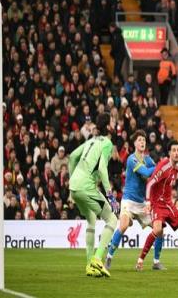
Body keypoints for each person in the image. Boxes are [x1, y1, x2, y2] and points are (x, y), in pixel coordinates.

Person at [105, 130, 164, 270]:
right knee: (124, 225)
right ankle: (109, 257)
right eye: (139, 140)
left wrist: (159, 169)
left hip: (142, 204)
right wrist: (161, 166)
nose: (142, 142)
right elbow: (147, 172)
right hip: (128, 201)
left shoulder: (148, 159)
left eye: (144, 140)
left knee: (159, 229)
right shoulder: (131, 159)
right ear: (135, 144)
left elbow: (156, 174)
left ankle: (156, 262)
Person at [136, 140, 178, 271]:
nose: (176, 153)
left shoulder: (176, 169)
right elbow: (150, 183)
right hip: (157, 204)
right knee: (157, 230)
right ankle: (140, 261)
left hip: (168, 205)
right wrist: (148, 202)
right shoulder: (164, 166)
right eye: (174, 150)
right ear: (169, 153)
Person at [69, 113, 118, 278]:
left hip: (74, 186)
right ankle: (97, 259)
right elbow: (102, 168)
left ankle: (90, 265)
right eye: (112, 121)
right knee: (112, 219)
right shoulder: (107, 143)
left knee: (91, 219)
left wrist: (72, 182)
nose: (114, 124)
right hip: (86, 186)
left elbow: (72, 157)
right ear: (108, 126)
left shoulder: (91, 140)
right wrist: (110, 195)